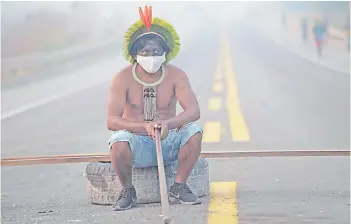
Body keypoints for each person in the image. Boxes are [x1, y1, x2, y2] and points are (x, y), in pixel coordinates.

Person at [106, 5, 203, 211]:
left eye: (157, 52)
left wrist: (167, 124)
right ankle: (128, 191)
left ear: (166, 54)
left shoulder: (176, 75)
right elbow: (111, 121)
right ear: (135, 54)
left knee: (194, 131)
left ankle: (179, 186)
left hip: (169, 140)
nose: (152, 57)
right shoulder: (122, 78)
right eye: (146, 52)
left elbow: (194, 111)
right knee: (119, 140)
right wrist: (144, 127)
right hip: (138, 143)